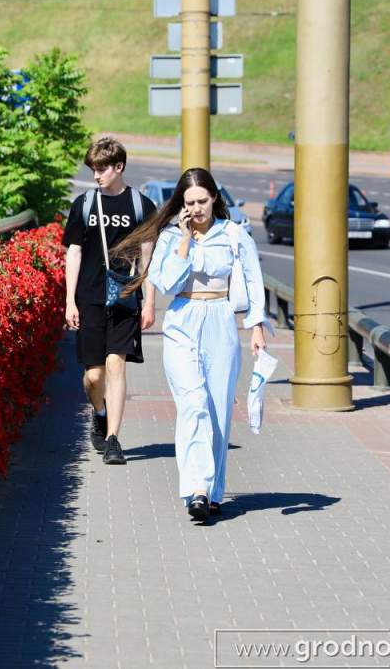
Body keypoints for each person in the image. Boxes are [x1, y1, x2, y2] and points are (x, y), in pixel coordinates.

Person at [113, 167, 269, 520]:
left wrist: (257, 327)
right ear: (181, 205)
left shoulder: (233, 234)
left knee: (217, 410)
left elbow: (252, 279)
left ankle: (212, 492)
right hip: (182, 320)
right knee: (193, 404)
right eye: (189, 203)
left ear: (214, 198)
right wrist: (184, 241)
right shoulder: (171, 236)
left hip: (220, 320)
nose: (196, 209)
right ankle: (197, 489)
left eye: (202, 201)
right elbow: (167, 282)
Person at [62, 137, 156, 465]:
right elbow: (73, 252)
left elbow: (147, 259)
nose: (96, 175)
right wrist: (69, 300)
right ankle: (99, 412)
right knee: (93, 376)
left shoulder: (141, 206)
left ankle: (114, 439)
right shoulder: (84, 205)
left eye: (102, 169)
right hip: (88, 298)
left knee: (116, 364)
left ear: (119, 166)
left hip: (125, 298)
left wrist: (149, 302)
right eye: (93, 169)